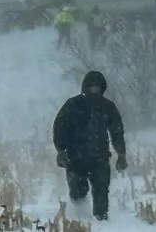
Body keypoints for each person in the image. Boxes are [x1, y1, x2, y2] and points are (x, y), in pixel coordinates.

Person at [52, 70, 128, 221]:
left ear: (102, 88)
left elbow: (117, 130)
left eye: (97, 87)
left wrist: (121, 153)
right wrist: (61, 150)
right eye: (91, 86)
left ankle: (102, 221)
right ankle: (79, 220)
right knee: (77, 192)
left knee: (101, 192)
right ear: (85, 87)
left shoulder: (107, 106)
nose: (94, 89)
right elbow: (60, 127)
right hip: (75, 158)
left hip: (100, 158)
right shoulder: (73, 105)